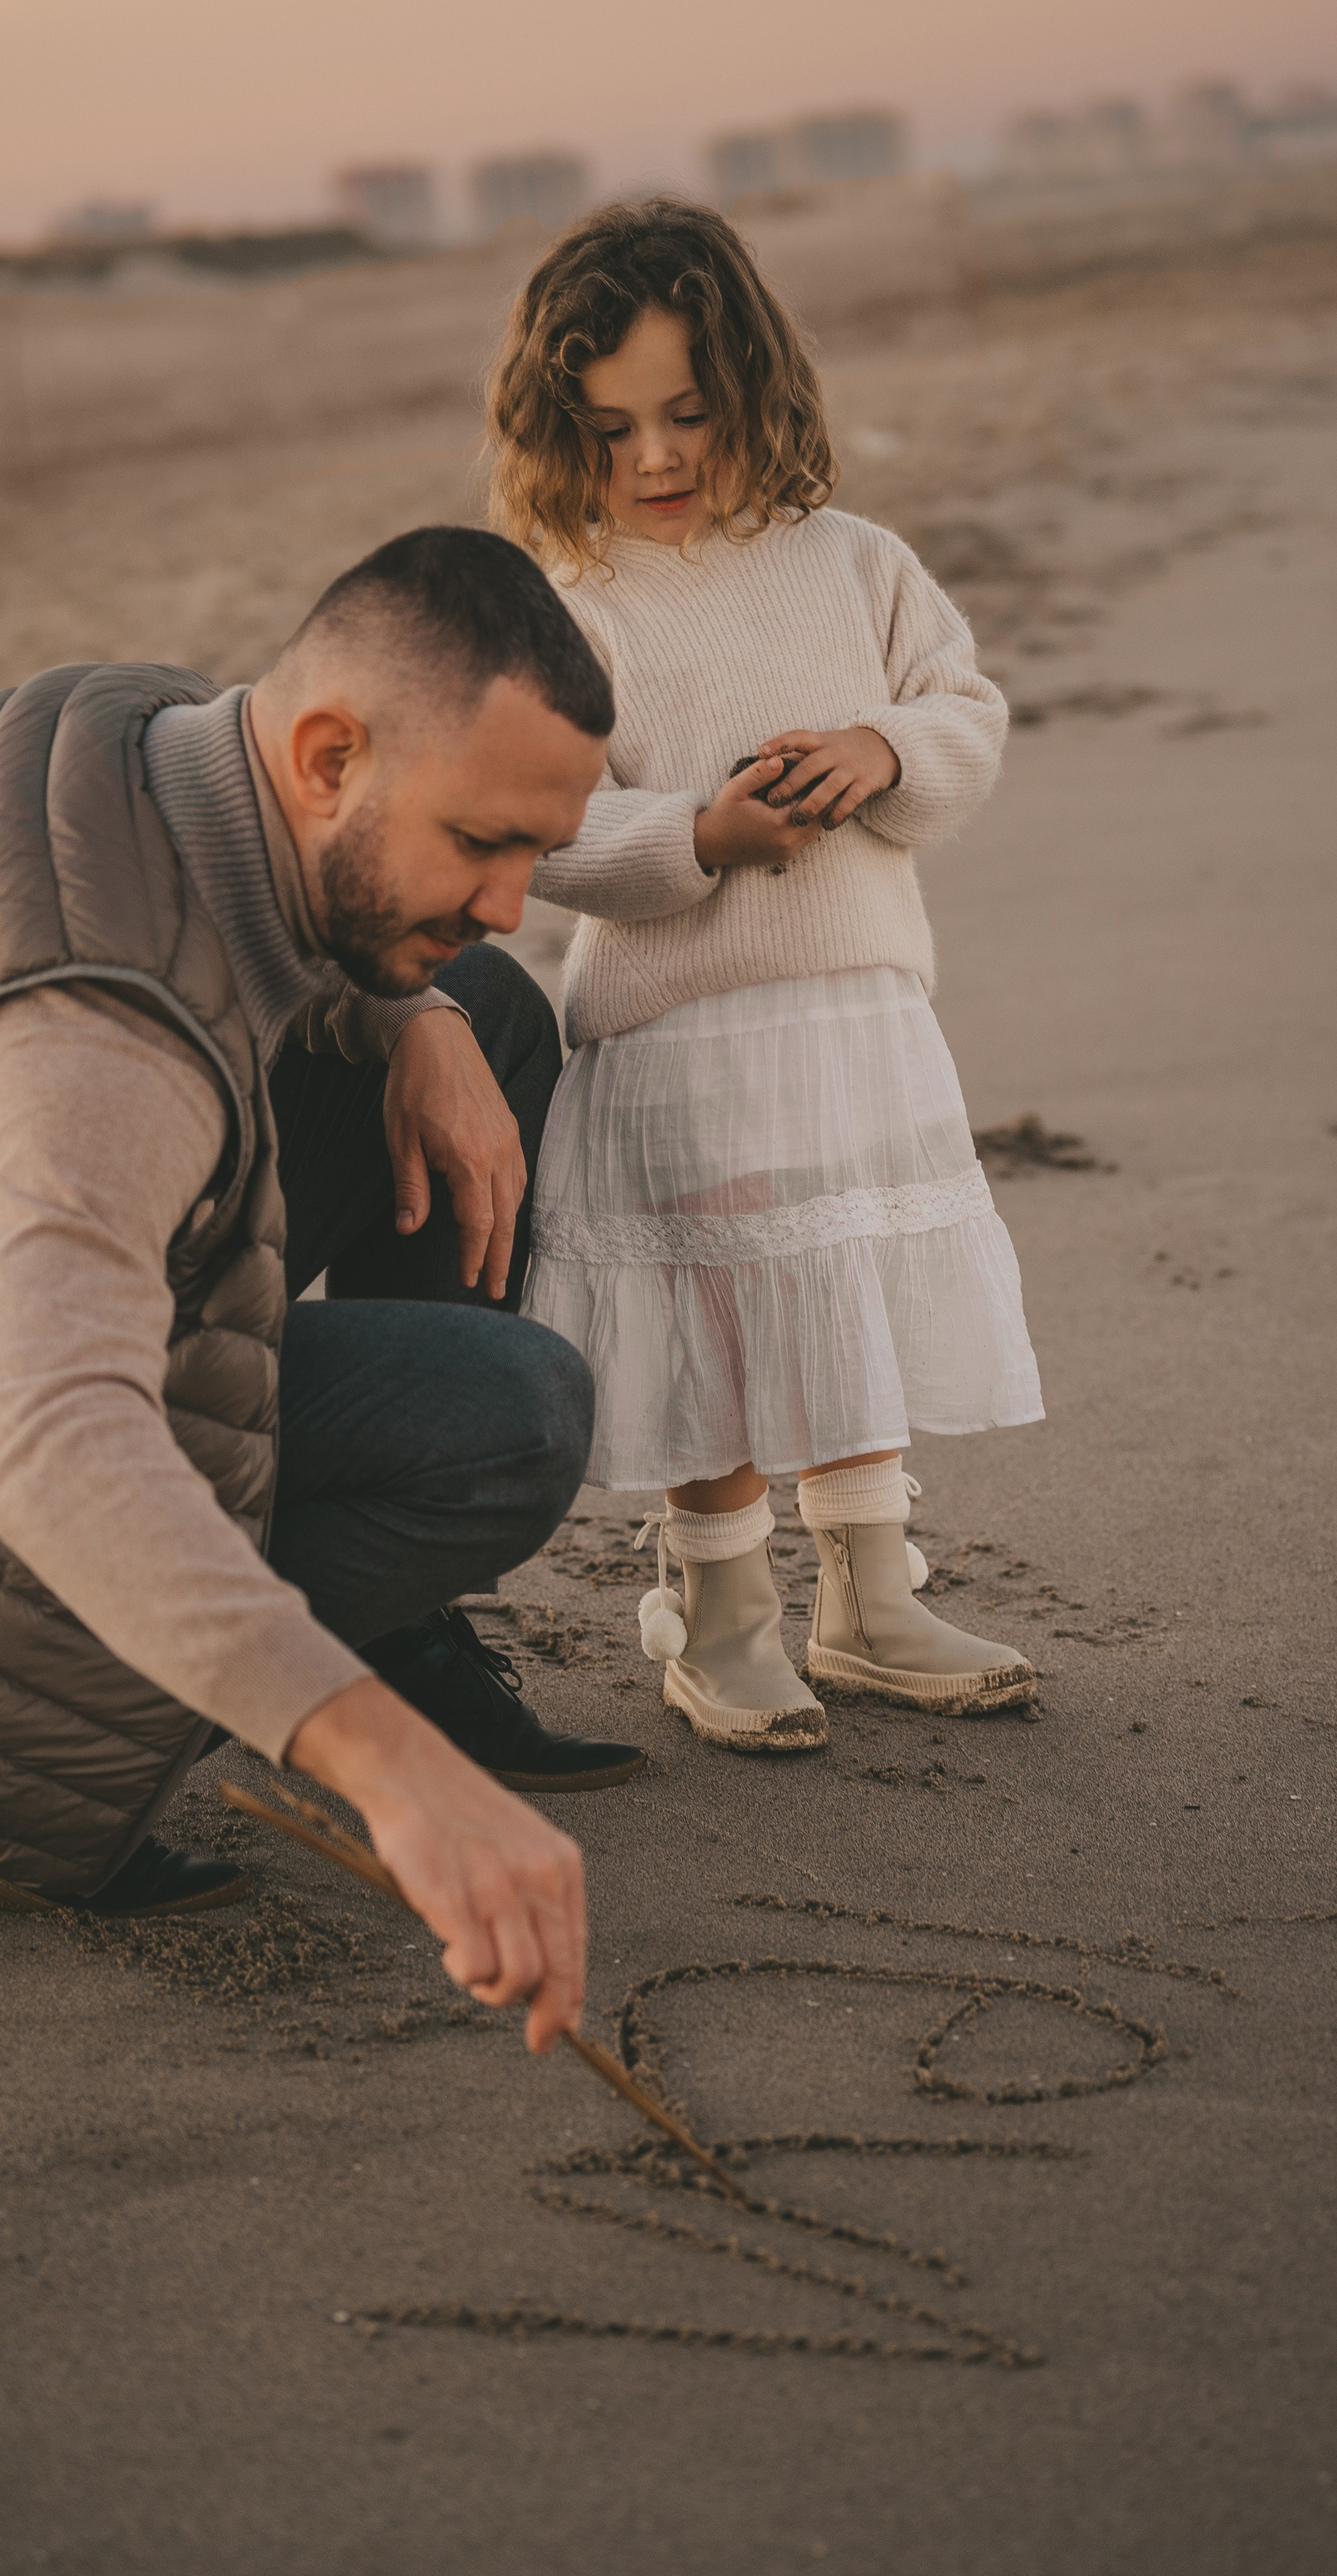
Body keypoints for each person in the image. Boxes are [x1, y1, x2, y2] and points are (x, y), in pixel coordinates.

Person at [0, 528, 645, 2053]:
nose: (512, 896)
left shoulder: (137, 733)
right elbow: (58, 1455)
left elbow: (333, 932)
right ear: (325, 755)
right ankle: (159, 1731)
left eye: (535, 857)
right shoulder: (99, 1047)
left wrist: (413, 1007)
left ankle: (375, 1628)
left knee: (476, 1011)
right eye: (481, 843)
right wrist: (386, 1772)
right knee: (515, 1418)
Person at [487, 201, 1044, 1755]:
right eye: (609, 430)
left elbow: (965, 709)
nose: (654, 457)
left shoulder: (849, 562)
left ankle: (871, 1590)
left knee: (838, 1288)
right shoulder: (566, 601)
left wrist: (879, 749)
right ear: (557, 432)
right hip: (673, 1036)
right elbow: (540, 825)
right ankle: (721, 1607)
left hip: (855, 1014)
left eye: (686, 413)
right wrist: (698, 834)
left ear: (753, 388)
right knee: (718, 1314)